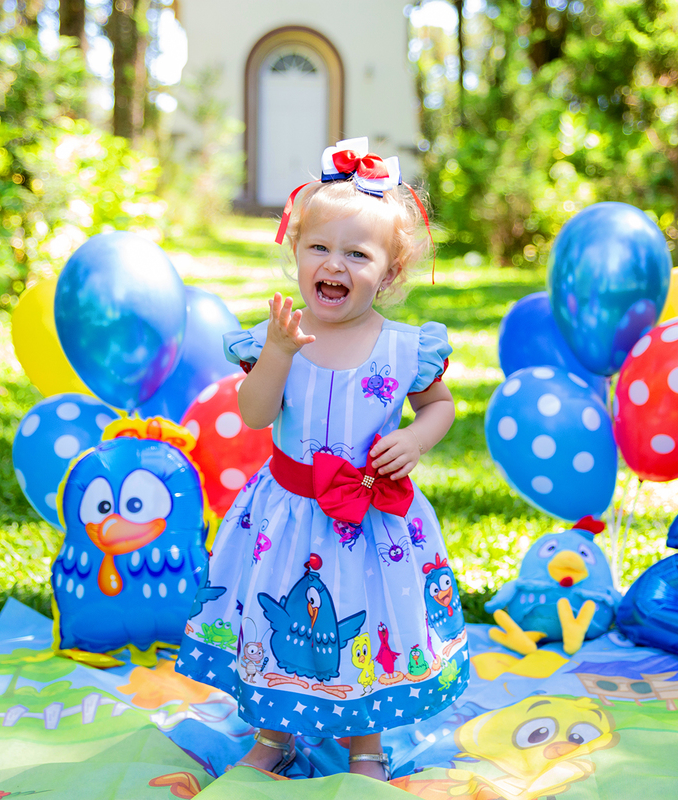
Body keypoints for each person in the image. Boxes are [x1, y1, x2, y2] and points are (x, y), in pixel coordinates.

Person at [177, 138, 468, 782]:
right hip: (286, 517)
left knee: (367, 623)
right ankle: (273, 733)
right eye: (319, 248)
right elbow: (256, 414)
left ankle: (366, 745)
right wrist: (279, 353)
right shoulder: (279, 336)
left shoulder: (404, 348)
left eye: (357, 254)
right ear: (297, 254)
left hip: (372, 522)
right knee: (276, 618)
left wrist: (417, 439)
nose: (334, 264)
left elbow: (440, 406)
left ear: (389, 273)